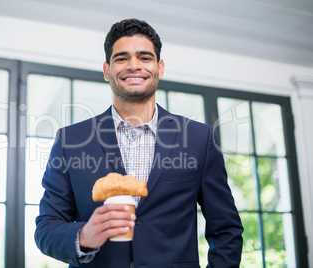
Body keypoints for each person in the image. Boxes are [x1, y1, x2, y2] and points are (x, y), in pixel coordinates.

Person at [35, 18, 243, 268]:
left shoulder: (199, 139)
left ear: (160, 67)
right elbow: (47, 228)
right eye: (121, 58)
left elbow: (226, 229)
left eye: (145, 58)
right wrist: (83, 236)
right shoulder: (71, 141)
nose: (134, 66)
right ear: (106, 70)